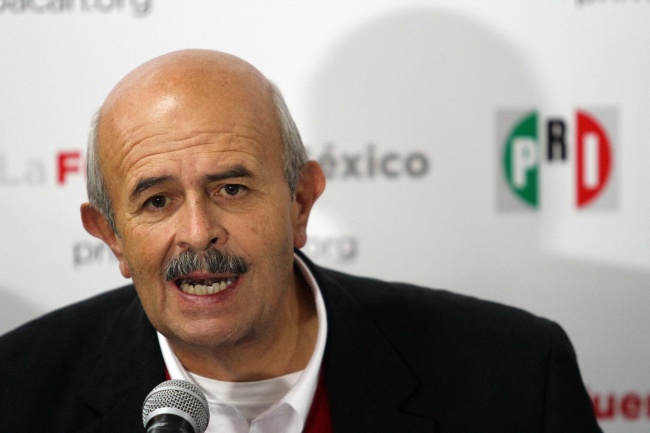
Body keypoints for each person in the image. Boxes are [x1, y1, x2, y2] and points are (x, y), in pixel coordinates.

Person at [0, 49, 601, 433]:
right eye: (157, 201)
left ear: (300, 202)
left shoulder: (515, 377)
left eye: (232, 188)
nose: (198, 232)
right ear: (111, 236)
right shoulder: (18, 394)